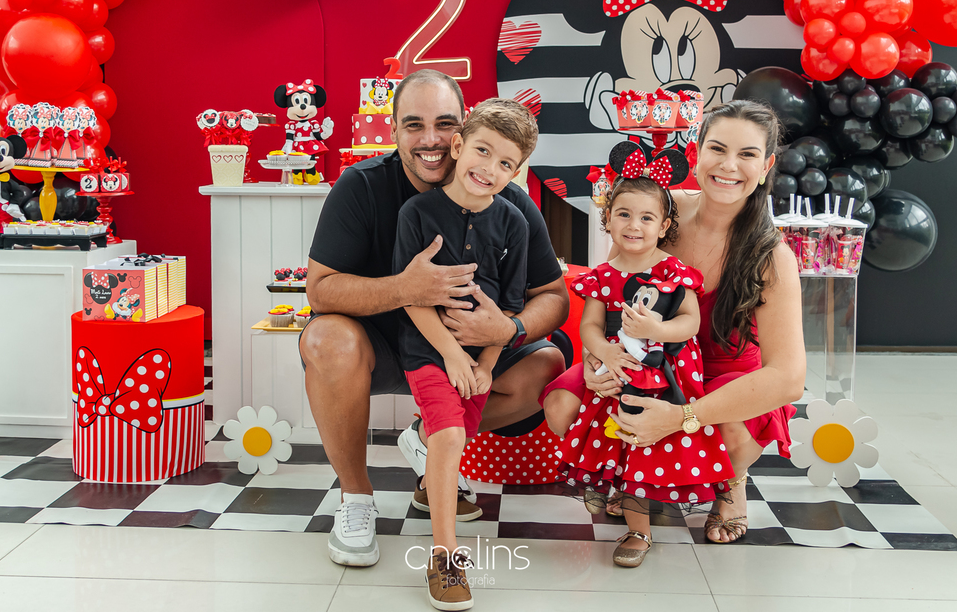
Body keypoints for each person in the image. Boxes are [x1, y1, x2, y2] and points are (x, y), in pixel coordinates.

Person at [301, 70, 570, 569]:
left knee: (549, 365)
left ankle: (430, 439)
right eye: (413, 125)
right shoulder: (362, 187)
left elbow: (552, 296)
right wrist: (405, 288)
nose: (430, 140)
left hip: (470, 356)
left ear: (464, 128)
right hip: (379, 346)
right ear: (393, 130)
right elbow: (320, 289)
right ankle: (356, 498)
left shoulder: (507, 197)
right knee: (324, 339)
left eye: (443, 123)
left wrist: (506, 330)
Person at [544, 99, 805, 544]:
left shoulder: (771, 255)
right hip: (643, 358)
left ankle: (731, 482)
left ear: (766, 166)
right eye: (717, 149)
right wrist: (597, 359)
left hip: (722, 372)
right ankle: (631, 477)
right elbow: (610, 301)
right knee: (563, 405)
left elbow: (788, 379)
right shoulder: (656, 213)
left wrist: (682, 416)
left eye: (746, 155)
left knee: (733, 437)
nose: (728, 166)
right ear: (697, 151)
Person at [555, 141, 733, 568]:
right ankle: (633, 522)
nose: (634, 225)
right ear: (608, 220)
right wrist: (604, 354)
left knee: (649, 446)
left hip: (668, 375)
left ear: (664, 224)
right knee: (621, 440)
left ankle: (644, 521)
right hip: (622, 370)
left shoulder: (672, 271)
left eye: (646, 217)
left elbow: (690, 321)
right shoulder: (603, 276)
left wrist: (657, 330)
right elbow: (590, 326)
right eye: (624, 215)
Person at [394, 98, 538, 610]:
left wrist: (484, 364)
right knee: (450, 435)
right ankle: (445, 558)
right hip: (428, 351)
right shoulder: (417, 213)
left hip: (480, 357)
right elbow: (411, 297)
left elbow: (511, 308)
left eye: (506, 163)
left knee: (453, 435)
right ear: (458, 145)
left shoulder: (515, 223)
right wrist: (454, 358)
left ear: (517, 171)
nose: (490, 169)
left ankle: (422, 455)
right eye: (482, 151)